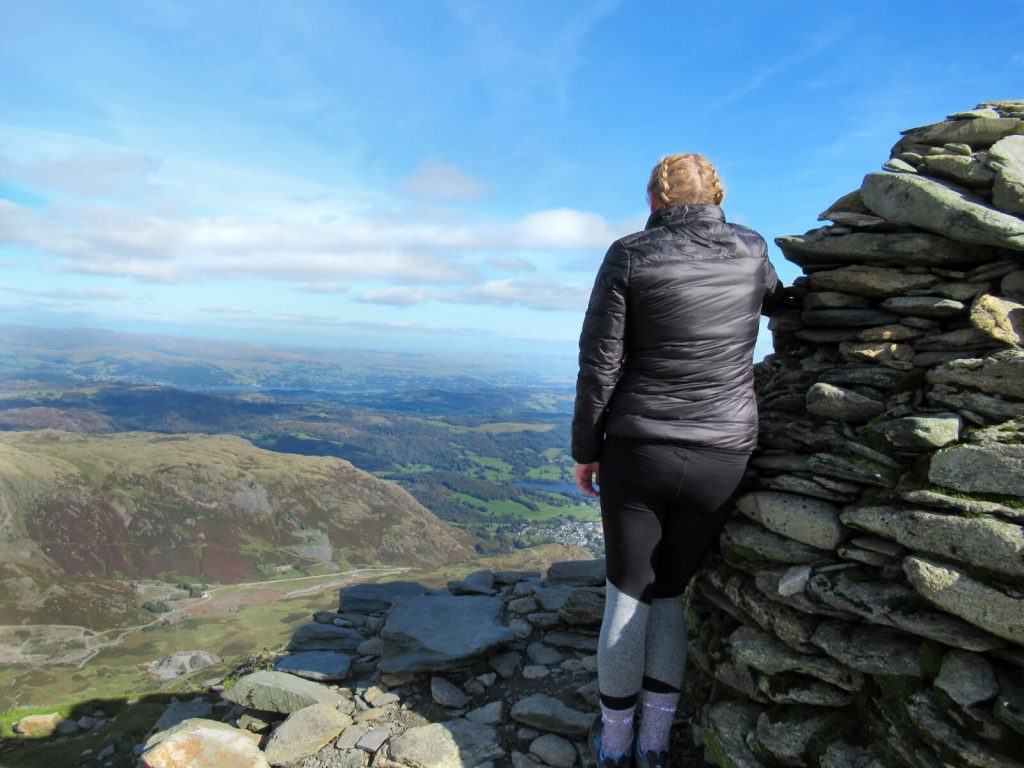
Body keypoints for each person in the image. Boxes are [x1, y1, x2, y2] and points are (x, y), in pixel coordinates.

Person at [572, 153, 786, 767]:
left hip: (641, 447)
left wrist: (587, 449)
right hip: (724, 451)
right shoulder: (750, 248)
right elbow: (778, 302)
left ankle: (614, 744)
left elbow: (600, 362)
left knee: (627, 595)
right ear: (717, 197)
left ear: (653, 201)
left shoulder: (631, 252)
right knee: (669, 593)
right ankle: (656, 745)